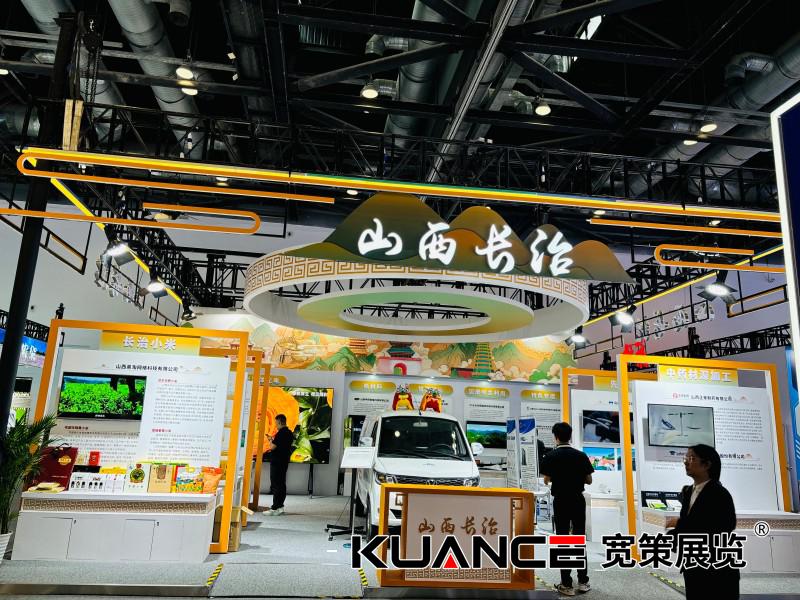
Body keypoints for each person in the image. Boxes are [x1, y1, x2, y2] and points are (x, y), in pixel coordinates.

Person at [665, 444, 739, 599]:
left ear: (707, 465)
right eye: (686, 458)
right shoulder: (689, 492)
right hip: (693, 564)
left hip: (716, 569)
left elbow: (725, 526)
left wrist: (680, 524)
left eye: (692, 458)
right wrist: (675, 535)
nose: (686, 462)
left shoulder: (719, 494)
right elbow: (692, 524)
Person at [540, 422, 594, 597]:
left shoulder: (551, 456)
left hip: (561, 501)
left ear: (556, 437)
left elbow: (546, 480)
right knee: (579, 539)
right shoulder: (581, 455)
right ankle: (583, 581)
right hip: (578, 500)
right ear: (570, 436)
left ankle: (567, 584)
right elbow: (589, 480)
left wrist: (557, 477)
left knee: (563, 540)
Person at [265, 414, 294, 515]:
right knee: (281, 483)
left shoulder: (281, 433)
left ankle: (275, 508)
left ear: (280, 422)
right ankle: (280, 506)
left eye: (276, 423)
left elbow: (273, 447)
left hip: (277, 462)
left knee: (276, 484)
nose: (275, 425)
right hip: (284, 461)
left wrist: (270, 440)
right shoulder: (289, 433)